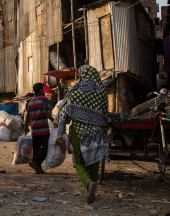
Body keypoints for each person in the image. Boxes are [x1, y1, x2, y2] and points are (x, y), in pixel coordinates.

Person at [55, 65, 109, 204]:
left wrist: (61, 126)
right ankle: (91, 189)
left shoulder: (77, 89)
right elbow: (105, 112)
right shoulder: (102, 90)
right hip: (97, 132)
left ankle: (89, 184)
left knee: (78, 161)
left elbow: (66, 108)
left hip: (79, 131)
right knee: (94, 161)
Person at [25, 82, 54, 174]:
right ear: (40, 90)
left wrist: (25, 126)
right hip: (43, 129)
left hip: (34, 129)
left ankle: (38, 168)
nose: (44, 90)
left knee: (37, 149)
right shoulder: (43, 99)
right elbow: (45, 111)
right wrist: (53, 120)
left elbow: (27, 115)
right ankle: (35, 162)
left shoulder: (31, 101)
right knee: (46, 147)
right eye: (43, 89)